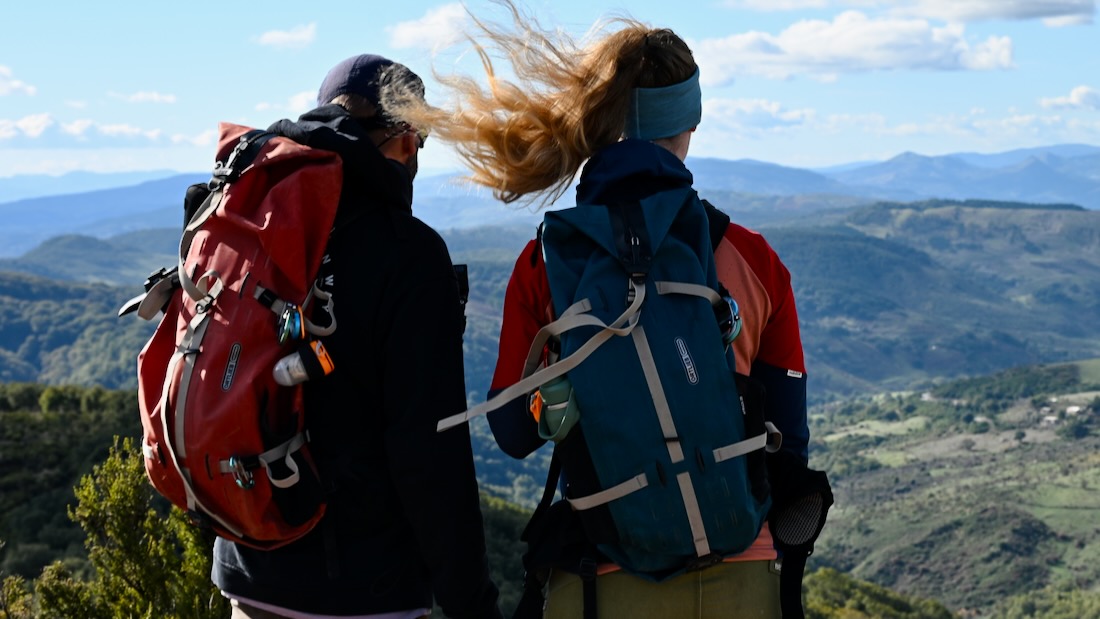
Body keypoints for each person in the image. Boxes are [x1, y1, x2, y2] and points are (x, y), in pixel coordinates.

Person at [390, 4, 813, 618]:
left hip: (600, 580)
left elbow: (510, 435)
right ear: (689, 121)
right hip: (742, 569)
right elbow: (790, 443)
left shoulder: (545, 264)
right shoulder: (750, 258)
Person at [210, 54, 504, 619]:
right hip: (364, 591)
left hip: (250, 573)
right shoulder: (408, 255)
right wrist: (474, 604)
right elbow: (430, 453)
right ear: (405, 140)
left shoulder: (251, 220)